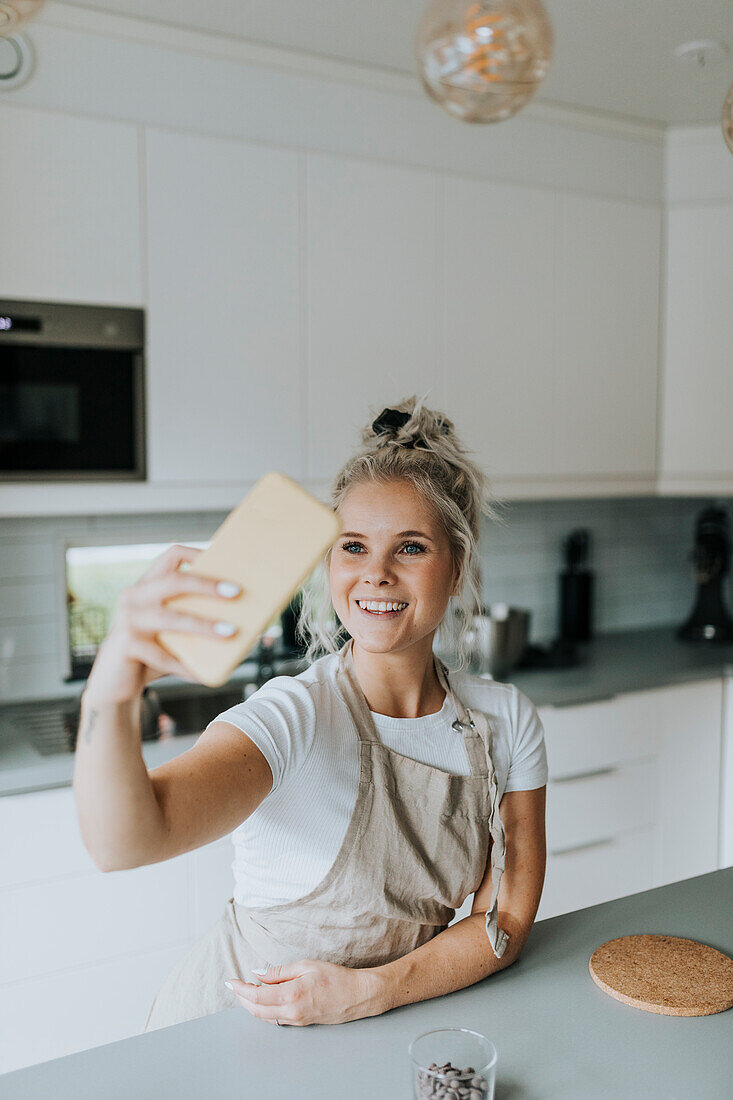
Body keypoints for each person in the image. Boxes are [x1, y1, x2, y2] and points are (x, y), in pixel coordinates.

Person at [73, 394, 547, 1032]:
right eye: (352, 546)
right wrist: (111, 688)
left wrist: (371, 992)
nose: (374, 574)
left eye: (409, 548)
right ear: (329, 563)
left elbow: (506, 924)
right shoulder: (295, 714)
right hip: (232, 1032)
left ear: (456, 568)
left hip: (386, 1027)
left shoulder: (504, 724)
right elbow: (125, 842)